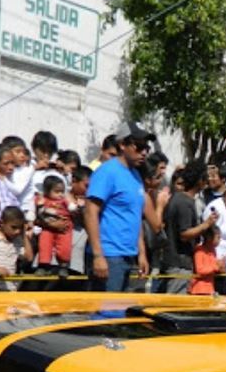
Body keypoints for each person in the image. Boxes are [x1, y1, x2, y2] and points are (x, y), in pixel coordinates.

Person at [84, 121, 152, 292]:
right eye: (139, 146)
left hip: (130, 257)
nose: (144, 152)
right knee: (106, 313)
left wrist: (142, 253)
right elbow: (90, 211)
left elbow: (135, 216)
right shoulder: (107, 171)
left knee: (123, 313)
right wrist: (98, 255)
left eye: (147, 148)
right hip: (109, 256)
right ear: (122, 145)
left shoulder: (136, 175)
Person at [161, 158, 213, 294]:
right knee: (173, 306)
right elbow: (184, 234)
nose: (207, 181)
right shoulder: (184, 202)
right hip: (179, 264)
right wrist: (206, 225)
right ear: (199, 180)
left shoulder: (179, 198)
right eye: (205, 178)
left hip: (176, 262)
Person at [35, 175, 72, 273]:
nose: (60, 194)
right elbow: (38, 214)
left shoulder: (64, 201)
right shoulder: (42, 200)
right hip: (47, 228)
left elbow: (71, 209)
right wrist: (40, 206)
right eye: (57, 191)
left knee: (65, 246)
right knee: (45, 244)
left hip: (64, 227)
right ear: (47, 191)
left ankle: (63, 265)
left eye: (62, 191)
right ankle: (43, 265)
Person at [190, 224, 221, 295]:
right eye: (218, 238)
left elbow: (214, 267)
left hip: (210, 289)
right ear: (209, 237)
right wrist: (215, 267)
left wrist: (220, 267)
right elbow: (200, 270)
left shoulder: (213, 251)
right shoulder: (199, 251)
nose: (219, 240)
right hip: (199, 289)